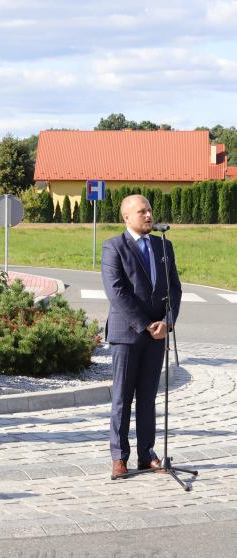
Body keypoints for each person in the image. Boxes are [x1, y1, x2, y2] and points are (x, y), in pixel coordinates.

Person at [102, 194, 182, 479]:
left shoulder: (164, 246)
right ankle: (119, 457)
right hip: (127, 334)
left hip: (157, 335)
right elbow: (116, 291)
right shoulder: (114, 246)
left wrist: (167, 323)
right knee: (122, 398)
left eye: (149, 210)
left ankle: (146, 454)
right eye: (141, 212)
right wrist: (145, 324)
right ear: (126, 217)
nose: (148, 215)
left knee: (147, 398)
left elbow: (174, 288)